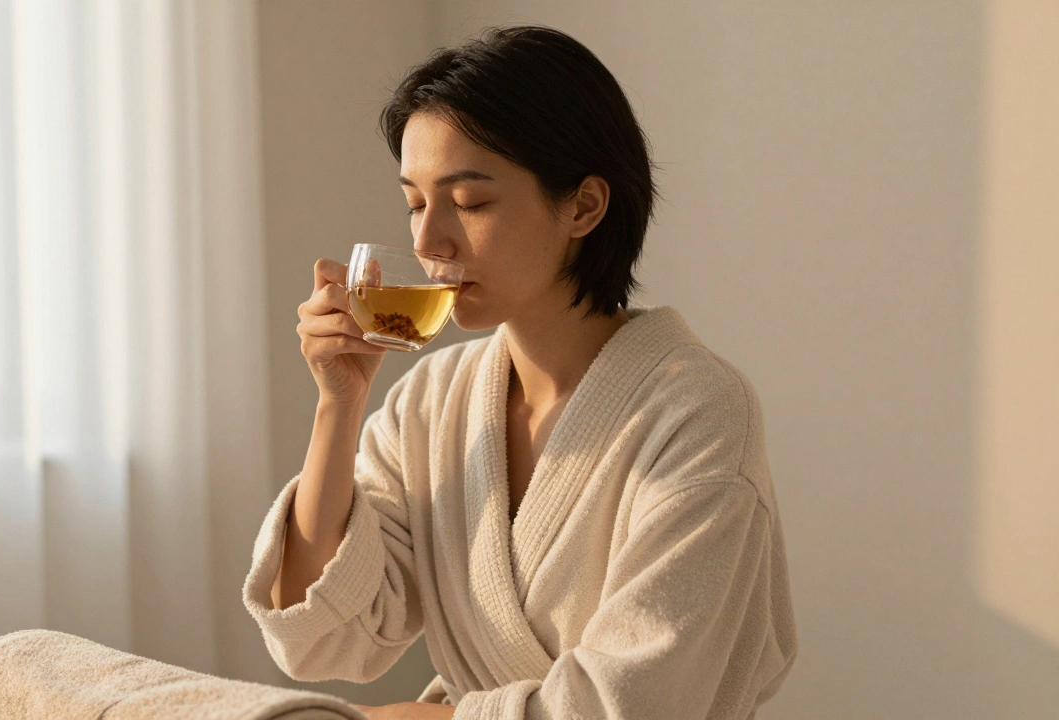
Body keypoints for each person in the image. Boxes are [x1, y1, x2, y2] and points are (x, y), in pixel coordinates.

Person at [243, 26, 797, 720]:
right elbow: (325, 639)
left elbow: (638, 699)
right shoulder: (431, 402)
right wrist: (340, 405)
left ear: (584, 206)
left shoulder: (700, 412)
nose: (426, 240)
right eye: (416, 202)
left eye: (469, 202)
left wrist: (418, 718)